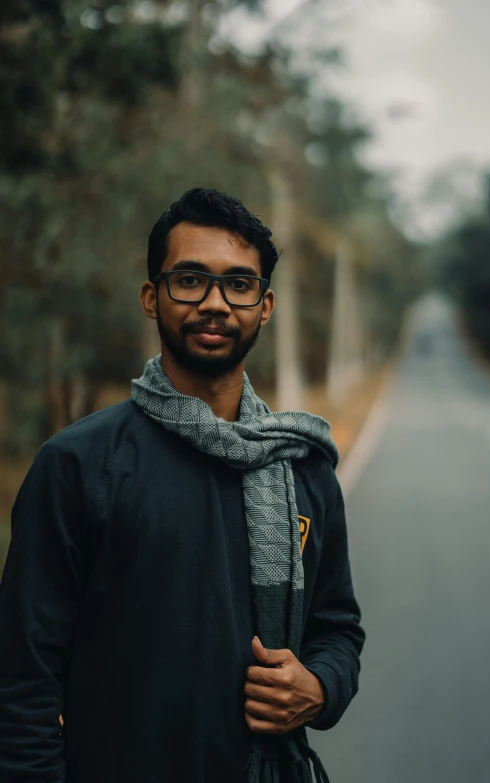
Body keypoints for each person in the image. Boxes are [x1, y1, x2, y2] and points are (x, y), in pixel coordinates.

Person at [0, 187, 365, 783]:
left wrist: (320, 687)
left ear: (265, 305)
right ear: (153, 297)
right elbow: (22, 678)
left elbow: (337, 630)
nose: (215, 303)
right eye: (190, 279)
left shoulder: (304, 467)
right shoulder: (79, 465)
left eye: (238, 284)